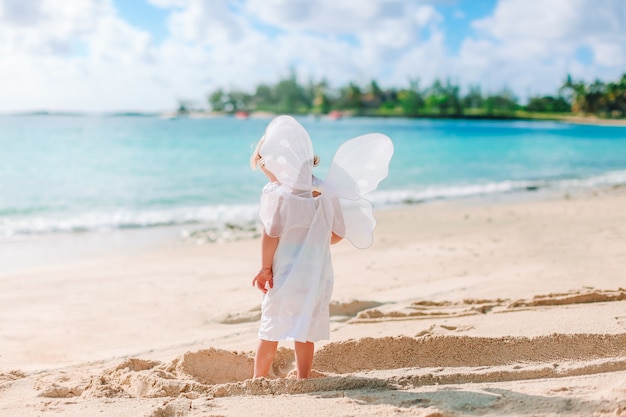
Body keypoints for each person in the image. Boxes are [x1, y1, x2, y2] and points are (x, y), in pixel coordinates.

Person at [250, 115, 393, 380]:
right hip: (315, 272)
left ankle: (259, 377)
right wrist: (313, 239)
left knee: (271, 324)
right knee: (306, 323)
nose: (267, 172)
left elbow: (270, 234)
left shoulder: (278, 194)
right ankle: (303, 376)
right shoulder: (325, 190)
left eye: (265, 165)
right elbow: (337, 234)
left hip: (284, 272)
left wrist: (264, 268)